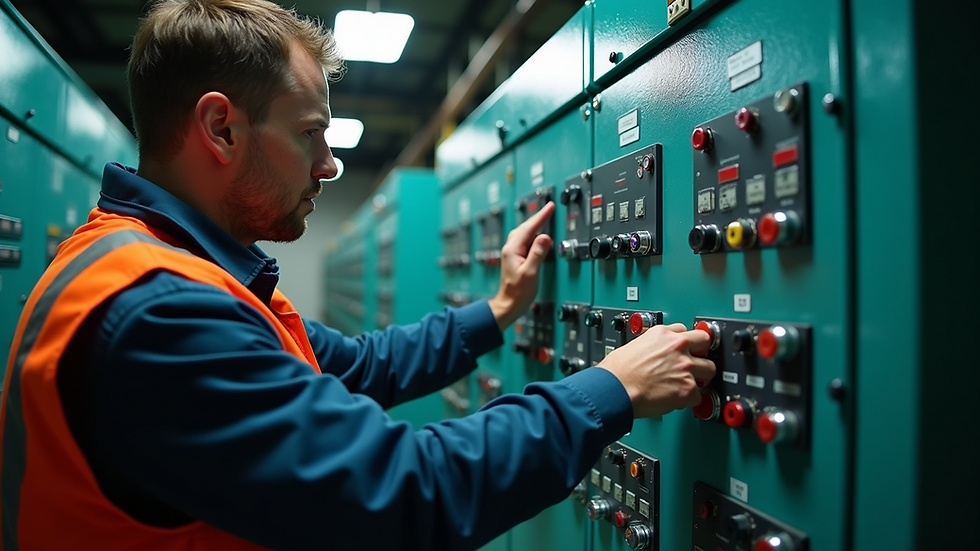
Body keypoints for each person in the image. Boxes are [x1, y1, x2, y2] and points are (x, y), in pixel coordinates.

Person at [0, 0, 715, 549]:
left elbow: (356, 365)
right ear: (220, 128)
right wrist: (610, 389)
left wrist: (497, 309)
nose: (329, 164)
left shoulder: (168, 270)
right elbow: (405, 488)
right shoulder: (156, 313)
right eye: (312, 132)